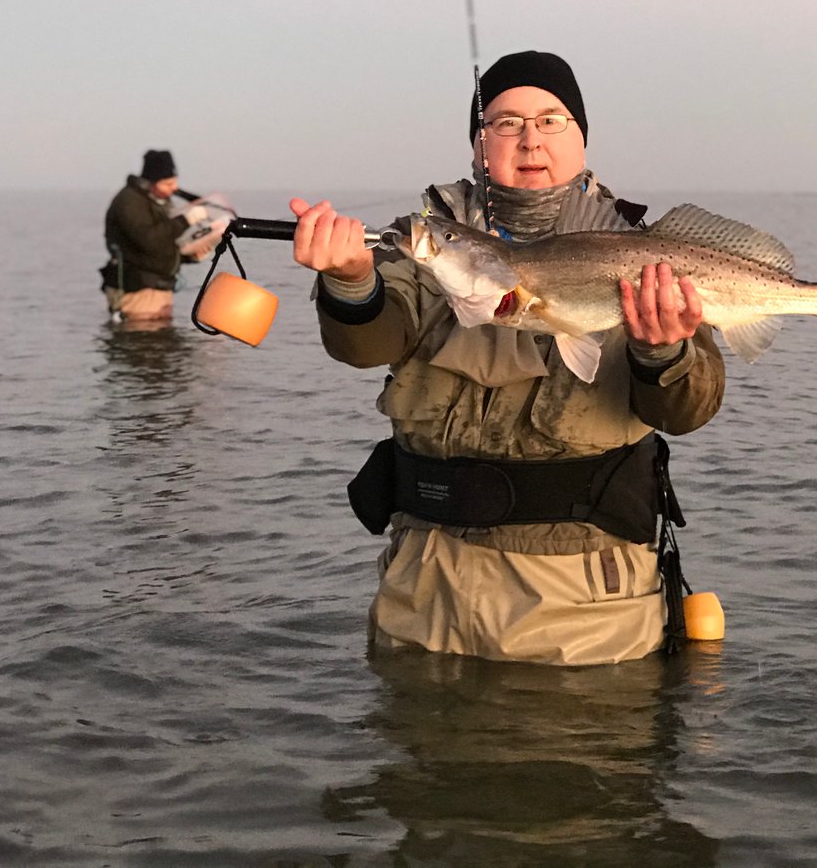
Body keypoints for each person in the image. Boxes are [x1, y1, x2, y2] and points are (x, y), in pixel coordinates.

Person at [289, 50, 726, 665]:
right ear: (477, 145)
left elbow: (689, 409)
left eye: (551, 120)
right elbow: (369, 343)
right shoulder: (427, 243)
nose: (529, 140)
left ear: (580, 139)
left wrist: (662, 348)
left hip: (585, 611)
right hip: (424, 596)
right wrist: (351, 281)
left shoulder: (646, 254)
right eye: (504, 122)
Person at [100, 149, 212, 323]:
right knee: (143, 343)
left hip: (160, 289)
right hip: (138, 290)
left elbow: (164, 244)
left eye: (175, 182)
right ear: (151, 181)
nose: (174, 188)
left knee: (161, 343)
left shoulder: (159, 201)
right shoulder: (129, 202)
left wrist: (189, 255)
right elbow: (149, 240)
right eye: (167, 183)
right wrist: (186, 220)